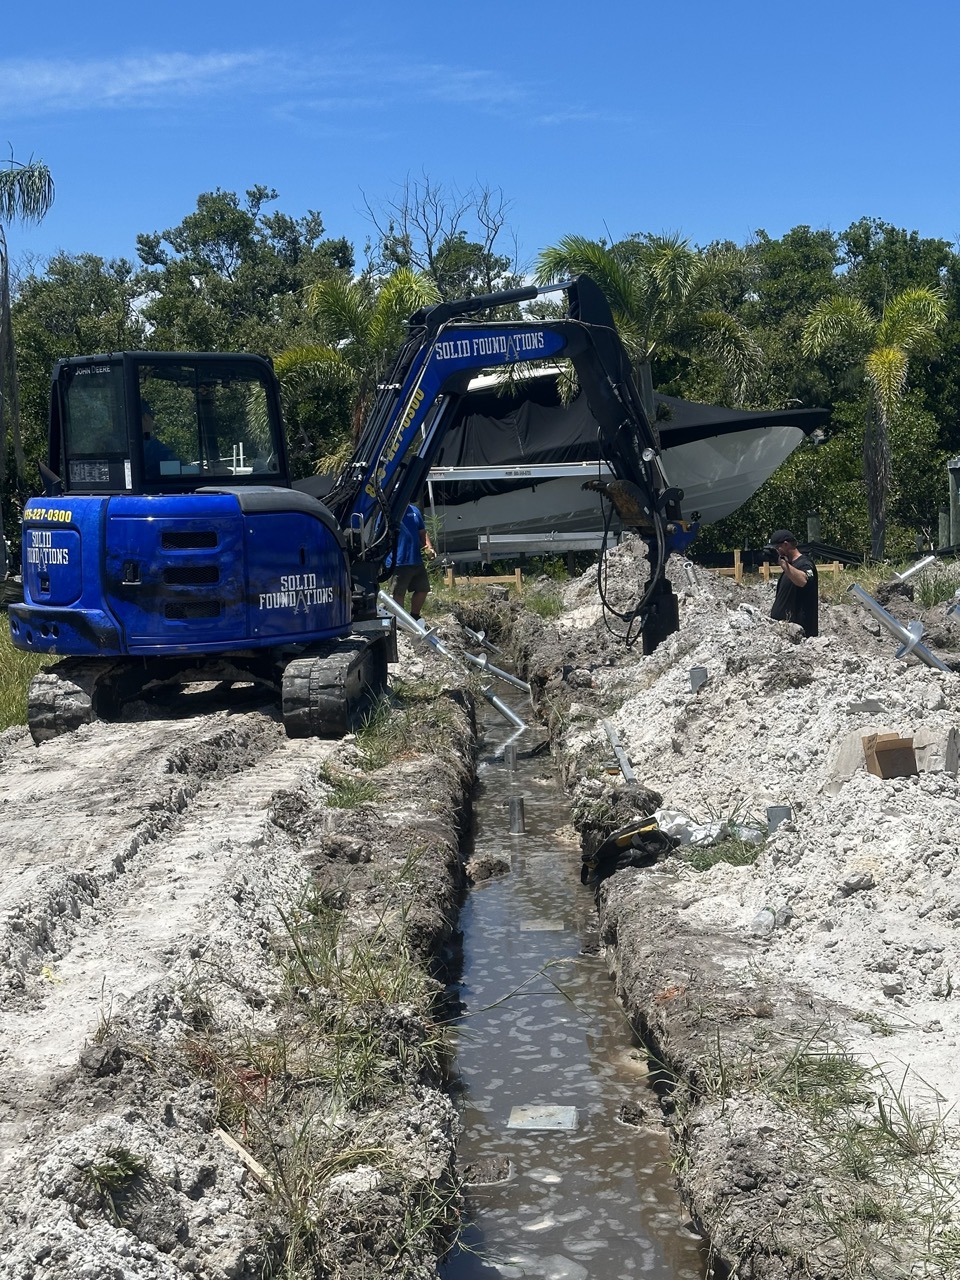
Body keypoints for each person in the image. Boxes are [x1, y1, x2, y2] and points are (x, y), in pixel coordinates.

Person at [768, 529, 818, 637]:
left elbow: (803, 580)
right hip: (785, 633)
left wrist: (782, 563)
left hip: (800, 634)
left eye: (777, 548)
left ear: (786, 545)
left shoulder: (804, 563)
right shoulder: (790, 566)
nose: (776, 552)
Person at [390, 503, 434, 620]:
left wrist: (429, 547)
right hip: (398, 560)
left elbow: (422, 532)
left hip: (416, 559)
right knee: (399, 593)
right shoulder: (389, 511)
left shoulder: (415, 510)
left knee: (423, 589)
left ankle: (414, 617)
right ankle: (400, 621)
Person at [141, 400, 177, 478]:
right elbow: (178, 471)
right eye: (152, 416)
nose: (153, 421)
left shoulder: (123, 445)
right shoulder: (157, 449)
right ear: (146, 417)